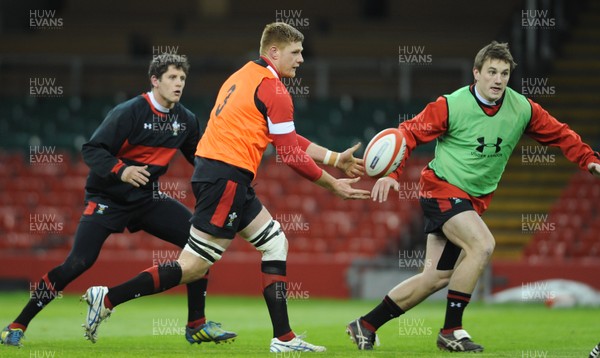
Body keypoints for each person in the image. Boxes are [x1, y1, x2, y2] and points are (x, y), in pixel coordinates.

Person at [81, 22, 370, 353]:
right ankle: (107, 298)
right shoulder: (274, 90)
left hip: (223, 175)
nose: (302, 59)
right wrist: (333, 185)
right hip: (225, 177)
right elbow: (288, 153)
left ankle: (283, 338)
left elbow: (285, 138)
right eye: (296, 52)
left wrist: (334, 158)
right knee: (193, 267)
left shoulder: (244, 75)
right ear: (273, 52)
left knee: (276, 243)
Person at [346, 41, 600, 352]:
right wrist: (393, 174)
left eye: (504, 73)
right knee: (482, 244)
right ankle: (451, 330)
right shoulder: (450, 105)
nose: (498, 79)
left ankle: (366, 324)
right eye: (492, 72)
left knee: (435, 278)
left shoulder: (523, 108)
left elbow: (560, 133)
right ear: (476, 73)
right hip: (441, 189)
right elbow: (408, 134)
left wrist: (587, 158)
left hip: (472, 201)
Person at [0, 53, 239, 347]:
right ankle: (16, 325)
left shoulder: (186, 120)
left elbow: (200, 159)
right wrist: (122, 170)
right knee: (78, 263)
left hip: (147, 198)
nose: (179, 84)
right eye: (172, 78)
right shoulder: (129, 112)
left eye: (182, 79)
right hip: (107, 198)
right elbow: (92, 149)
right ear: (155, 80)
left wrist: (227, 175)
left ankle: (196, 325)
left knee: (198, 247)